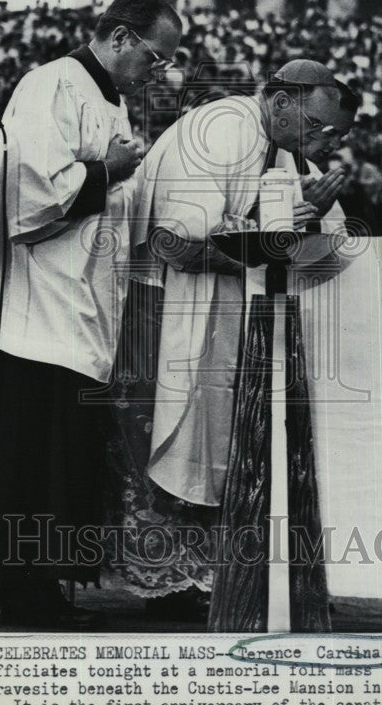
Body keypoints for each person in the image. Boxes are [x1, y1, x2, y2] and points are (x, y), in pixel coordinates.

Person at [0, 0, 182, 628]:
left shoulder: (113, 106)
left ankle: (46, 588)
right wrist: (108, 172)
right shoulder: (49, 85)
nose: (157, 71)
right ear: (119, 36)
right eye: (154, 57)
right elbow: (30, 200)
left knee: (64, 459)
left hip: (84, 307)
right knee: (31, 458)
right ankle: (23, 595)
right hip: (38, 310)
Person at [113, 59, 360, 618]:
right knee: (176, 435)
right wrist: (283, 225)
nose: (323, 144)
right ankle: (168, 581)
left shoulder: (286, 150)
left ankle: (208, 577)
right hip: (166, 304)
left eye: (335, 136)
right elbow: (175, 243)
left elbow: (334, 246)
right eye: (319, 128)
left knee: (225, 439)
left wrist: (306, 221)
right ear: (280, 102)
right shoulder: (222, 129)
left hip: (226, 312)